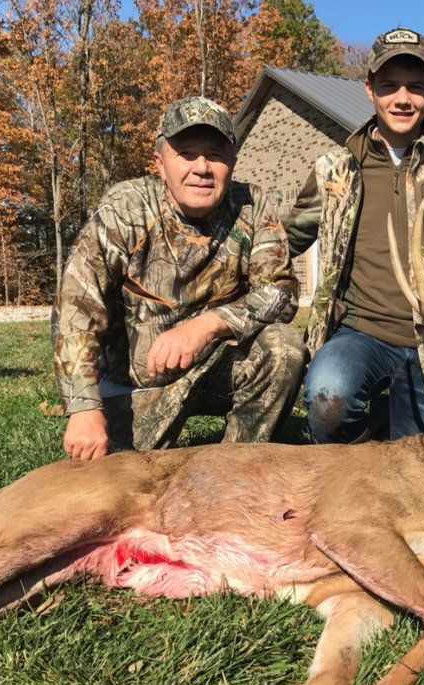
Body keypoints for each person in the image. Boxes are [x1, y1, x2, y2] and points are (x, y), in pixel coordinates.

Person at [54, 96, 307, 461]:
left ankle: (235, 467)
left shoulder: (253, 206)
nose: (202, 168)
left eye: (215, 155)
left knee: (283, 348)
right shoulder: (126, 209)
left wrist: (207, 325)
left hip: (213, 366)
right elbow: (77, 305)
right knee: (121, 480)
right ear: (160, 163)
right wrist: (84, 410)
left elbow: (280, 292)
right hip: (132, 385)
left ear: (232, 162)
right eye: (186, 153)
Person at [285, 28, 424, 443]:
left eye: (415, 86)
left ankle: (392, 420)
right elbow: (287, 237)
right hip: (362, 332)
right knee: (328, 399)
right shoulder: (334, 169)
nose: (402, 98)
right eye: (389, 86)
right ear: (369, 89)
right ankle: (361, 453)